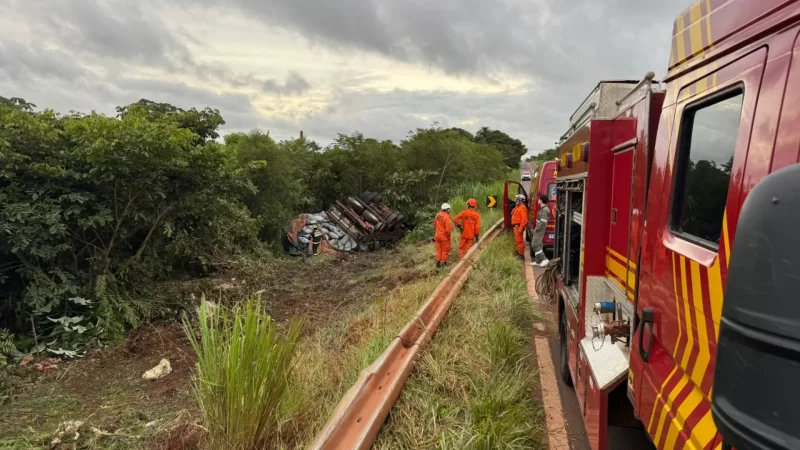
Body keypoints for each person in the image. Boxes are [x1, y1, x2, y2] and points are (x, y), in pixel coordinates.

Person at [530, 195, 551, 267]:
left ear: (541, 200)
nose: (538, 200)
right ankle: (538, 261)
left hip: (539, 230)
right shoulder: (543, 209)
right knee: (538, 244)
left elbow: (543, 222)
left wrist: (537, 229)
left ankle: (544, 259)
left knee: (535, 244)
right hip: (538, 229)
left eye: (539, 199)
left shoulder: (545, 210)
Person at [434, 203, 453, 267]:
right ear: (447, 209)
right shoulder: (446, 217)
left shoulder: (437, 215)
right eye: (449, 209)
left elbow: (434, 225)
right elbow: (448, 230)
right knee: (445, 250)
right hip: (444, 237)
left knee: (439, 250)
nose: (450, 210)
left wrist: (437, 232)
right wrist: (448, 237)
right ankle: (443, 263)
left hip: (437, 236)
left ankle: (438, 263)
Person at [511, 194, 528, 260]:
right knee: (517, 240)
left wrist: (521, 228)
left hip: (518, 227)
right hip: (516, 227)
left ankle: (521, 255)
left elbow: (524, 220)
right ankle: (518, 252)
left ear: (520, 201)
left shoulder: (522, 208)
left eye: (517, 200)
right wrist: (515, 207)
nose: (515, 201)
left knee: (519, 241)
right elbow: (512, 213)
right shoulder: (517, 208)